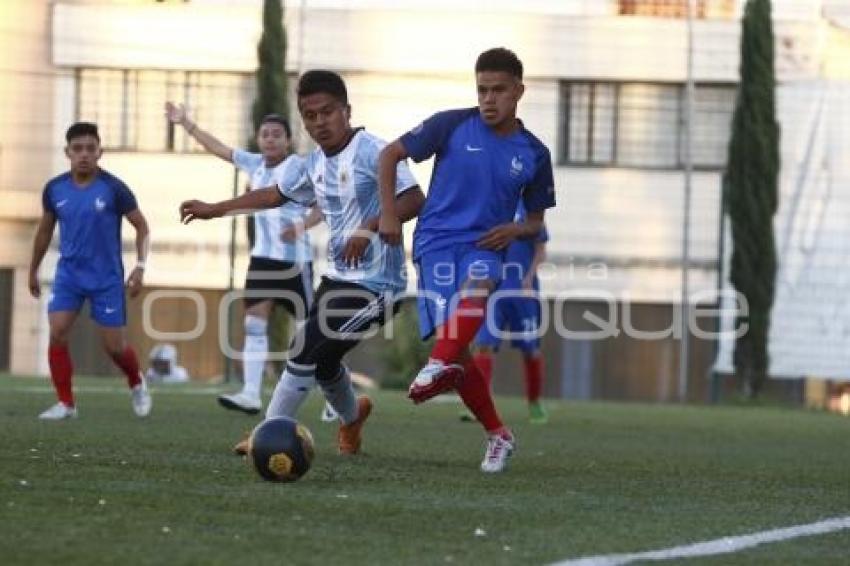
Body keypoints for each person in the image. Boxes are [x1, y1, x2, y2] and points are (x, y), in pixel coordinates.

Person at [179, 70, 425, 455]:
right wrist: (216, 209)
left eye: (327, 112)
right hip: (338, 278)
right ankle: (351, 418)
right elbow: (272, 196)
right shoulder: (312, 165)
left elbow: (414, 198)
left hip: (379, 286)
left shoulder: (374, 151)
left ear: (346, 110)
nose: (319, 122)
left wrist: (370, 226)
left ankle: (266, 434)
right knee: (323, 361)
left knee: (305, 345)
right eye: (310, 116)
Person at [377, 47, 556, 472]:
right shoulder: (451, 124)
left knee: (473, 298)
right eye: (482, 90)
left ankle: (435, 365)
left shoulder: (534, 153)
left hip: (486, 246)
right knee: (459, 352)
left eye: (498, 90)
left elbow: (534, 222)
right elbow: (389, 155)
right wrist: (388, 214)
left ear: (519, 91)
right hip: (435, 243)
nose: (489, 99)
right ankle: (498, 434)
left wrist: (513, 229)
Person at [165, 104, 321, 415]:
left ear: (288, 141)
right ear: (257, 139)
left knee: (312, 332)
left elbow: (324, 204)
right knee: (253, 324)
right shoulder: (254, 164)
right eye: (265, 134)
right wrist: (186, 124)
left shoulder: (299, 167)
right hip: (262, 260)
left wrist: (301, 225)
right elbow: (220, 149)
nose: (270, 140)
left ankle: (330, 398)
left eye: (277, 135)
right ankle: (251, 393)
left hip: (296, 262)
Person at [29, 122, 153, 420]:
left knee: (114, 348)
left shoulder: (114, 188)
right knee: (57, 332)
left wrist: (140, 266)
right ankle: (66, 404)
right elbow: (44, 232)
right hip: (69, 275)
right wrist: (32, 269)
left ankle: (136, 382)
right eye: (77, 149)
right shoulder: (55, 189)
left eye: (90, 149)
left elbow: (142, 226)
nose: (84, 154)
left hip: (106, 279)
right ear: (67, 152)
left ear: (100, 152)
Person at [471, 201, 549, 424]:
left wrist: (528, 277)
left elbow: (541, 251)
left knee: (530, 349)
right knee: (483, 344)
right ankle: (480, 404)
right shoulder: (492, 205)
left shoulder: (531, 211)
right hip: (493, 290)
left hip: (523, 293)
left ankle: (534, 404)